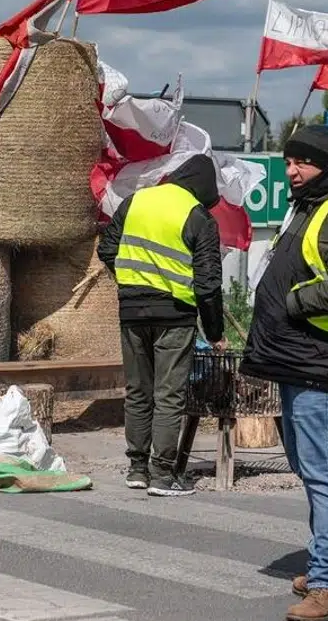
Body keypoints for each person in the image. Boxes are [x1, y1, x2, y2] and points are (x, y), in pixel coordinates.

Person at [240, 125, 328, 621]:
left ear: (327, 163)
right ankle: (327, 562)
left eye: (302, 162)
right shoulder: (314, 203)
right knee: (309, 468)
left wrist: (294, 303)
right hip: (302, 357)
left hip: (326, 360)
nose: (293, 170)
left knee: (324, 473)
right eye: (289, 161)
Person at [97, 153, 226, 498]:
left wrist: (130, 281)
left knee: (138, 391)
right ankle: (162, 475)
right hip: (174, 315)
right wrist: (215, 333)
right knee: (168, 395)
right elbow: (209, 284)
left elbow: (106, 248)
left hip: (132, 312)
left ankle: (136, 469)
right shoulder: (199, 217)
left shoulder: (135, 202)